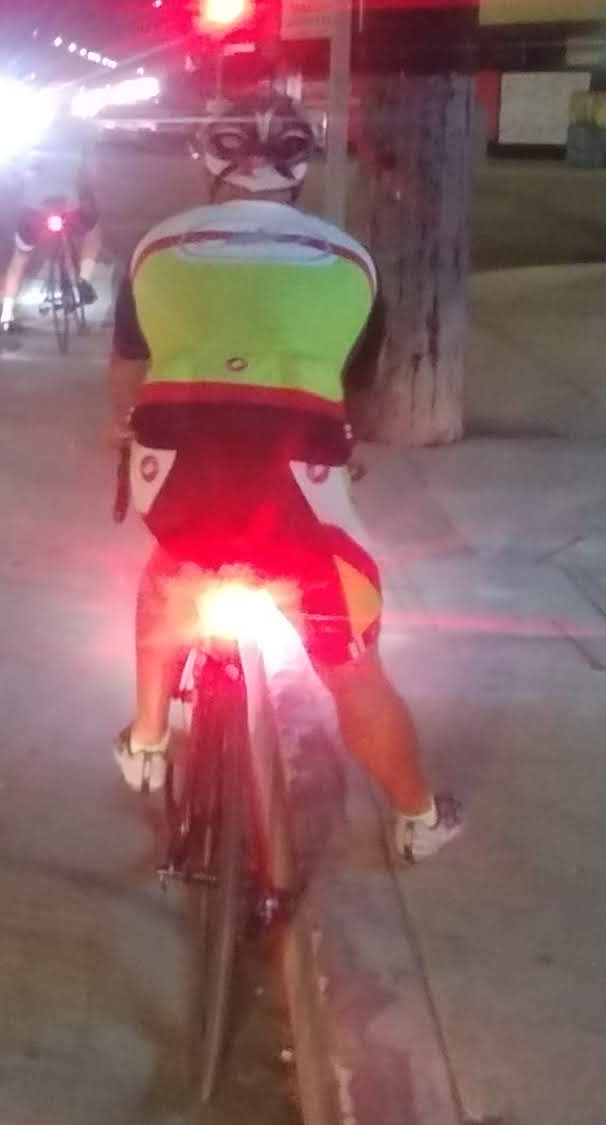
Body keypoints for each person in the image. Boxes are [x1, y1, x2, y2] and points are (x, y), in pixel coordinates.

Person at [108, 94, 461, 864]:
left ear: (207, 161)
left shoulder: (155, 248)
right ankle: (420, 817)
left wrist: (122, 429)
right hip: (298, 485)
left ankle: (147, 738)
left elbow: (128, 374)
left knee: (171, 569)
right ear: (302, 169)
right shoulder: (350, 260)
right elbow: (353, 391)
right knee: (350, 664)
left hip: (175, 473)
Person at [0, 117, 103, 333]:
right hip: (68, 206)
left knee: (20, 257)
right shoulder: (79, 139)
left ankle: (6, 317)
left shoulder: (28, 141)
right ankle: (83, 282)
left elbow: (12, 175)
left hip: (34, 210)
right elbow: (92, 174)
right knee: (93, 232)